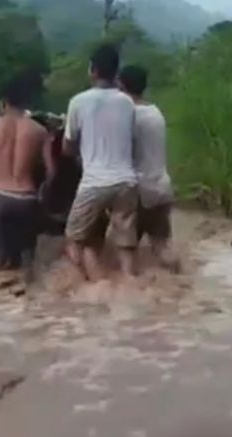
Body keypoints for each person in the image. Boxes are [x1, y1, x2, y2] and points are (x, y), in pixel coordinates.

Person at [63, 44, 139, 281]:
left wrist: (80, 154)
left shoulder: (78, 101)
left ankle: (90, 286)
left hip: (94, 182)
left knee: (74, 238)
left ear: (93, 70)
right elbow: (131, 140)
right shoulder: (127, 103)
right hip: (127, 181)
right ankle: (130, 284)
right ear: (116, 72)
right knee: (125, 244)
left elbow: (68, 147)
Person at [0, 77, 48, 272]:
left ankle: (2, 299)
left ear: (3, 102)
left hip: (1, 197)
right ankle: (30, 295)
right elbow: (50, 169)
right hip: (27, 197)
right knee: (28, 259)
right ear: (26, 103)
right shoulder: (39, 130)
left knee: (4, 259)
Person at [118, 65, 179, 271]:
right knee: (161, 247)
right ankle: (181, 280)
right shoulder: (155, 112)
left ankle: (130, 292)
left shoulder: (129, 115)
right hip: (161, 186)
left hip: (138, 190)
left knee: (124, 249)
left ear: (121, 85)